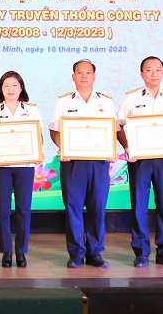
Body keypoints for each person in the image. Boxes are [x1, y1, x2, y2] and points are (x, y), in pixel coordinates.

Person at [115, 56, 163, 268]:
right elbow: (117, 126)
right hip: (140, 160)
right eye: (149, 70)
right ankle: (141, 252)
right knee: (139, 205)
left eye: (158, 70)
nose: (154, 74)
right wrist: (127, 146)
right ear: (142, 74)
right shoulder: (131, 98)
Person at [49, 59, 117, 269]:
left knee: (98, 208)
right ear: (73, 77)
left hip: (98, 163)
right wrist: (63, 147)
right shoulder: (64, 102)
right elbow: (54, 130)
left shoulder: (106, 102)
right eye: (79, 72)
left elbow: (112, 130)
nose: (84, 76)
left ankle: (95, 252)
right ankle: (76, 253)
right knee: (73, 209)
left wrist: (110, 149)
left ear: (94, 76)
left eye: (88, 72)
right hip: (73, 163)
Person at [0, 71, 41, 268]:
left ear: (21, 88)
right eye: (6, 85)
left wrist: (36, 152)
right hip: (1, 167)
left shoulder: (32, 110)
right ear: (1, 89)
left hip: (25, 167)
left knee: (23, 210)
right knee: (3, 210)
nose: (10, 89)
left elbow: (38, 136)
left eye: (14, 85)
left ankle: (21, 251)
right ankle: (7, 251)